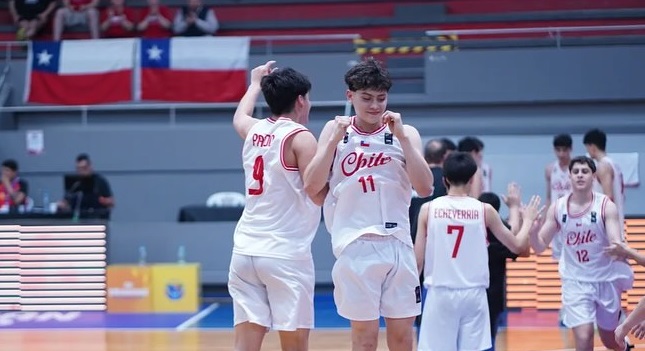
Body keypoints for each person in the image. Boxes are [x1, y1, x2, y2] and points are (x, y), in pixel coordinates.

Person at [303, 57, 433, 351]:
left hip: (398, 244)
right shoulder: (334, 131)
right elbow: (311, 186)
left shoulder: (405, 132)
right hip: (355, 245)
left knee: (403, 338)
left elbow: (425, 187)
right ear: (350, 96)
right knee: (364, 340)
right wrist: (332, 141)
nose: (375, 106)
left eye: (381, 98)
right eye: (367, 98)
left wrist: (402, 138)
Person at [228, 61, 324, 351]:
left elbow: (239, 117)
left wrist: (255, 83)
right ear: (301, 100)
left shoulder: (255, 130)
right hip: (285, 254)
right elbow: (317, 193)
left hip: (245, 251)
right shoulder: (301, 137)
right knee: (294, 345)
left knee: (246, 345)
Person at [414, 152, 540, 351]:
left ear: (445, 179)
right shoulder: (485, 210)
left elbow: (417, 262)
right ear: (472, 179)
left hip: (439, 293)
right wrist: (529, 221)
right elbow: (517, 245)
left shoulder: (428, 209)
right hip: (474, 295)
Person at [530, 156, 634, 351]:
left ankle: (624, 347)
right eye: (575, 171)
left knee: (610, 340)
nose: (579, 175)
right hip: (575, 281)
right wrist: (533, 232)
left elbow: (615, 239)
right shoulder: (558, 207)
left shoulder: (605, 206)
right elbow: (539, 246)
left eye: (584, 171)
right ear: (569, 176)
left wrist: (618, 248)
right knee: (584, 336)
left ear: (593, 176)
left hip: (605, 279)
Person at [478, 192, 523, 351]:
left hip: (471, 292)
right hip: (493, 296)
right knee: (488, 338)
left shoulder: (474, 231)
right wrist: (515, 208)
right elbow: (515, 239)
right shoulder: (499, 237)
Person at [583, 128, 626, 231]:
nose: (587, 152)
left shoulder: (603, 166)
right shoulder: (614, 164)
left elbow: (608, 197)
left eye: (587, 148)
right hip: (615, 221)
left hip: (607, 226)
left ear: (592, 147)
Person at [545, 133, 573, 260]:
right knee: (558, 256)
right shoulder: (550, 169)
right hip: (556, 217)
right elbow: (549, 196)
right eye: (558, 150)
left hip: (574, 216)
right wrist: (545, 220)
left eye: (564, 150)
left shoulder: (577, 168)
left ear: (570, 149)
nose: (561, 154)